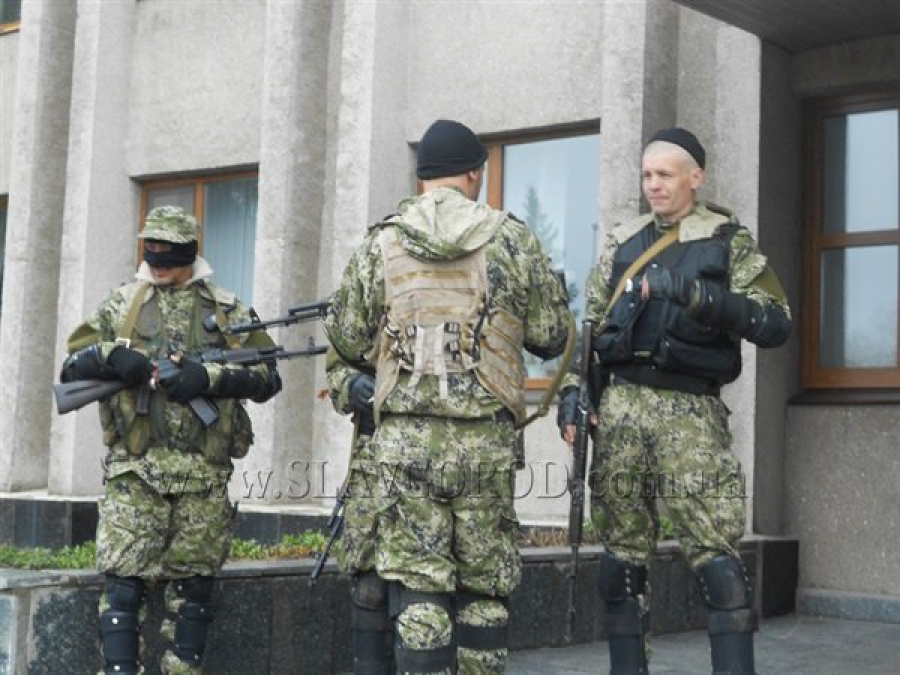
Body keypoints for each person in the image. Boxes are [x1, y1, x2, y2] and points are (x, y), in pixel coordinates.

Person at [325, 119, 572, 675]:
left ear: (422, 179)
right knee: (484, 588)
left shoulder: (382, 242)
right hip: (485, 446)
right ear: (474, 175)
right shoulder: (511, 239)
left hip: (405, 446)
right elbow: (552, 334)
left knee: (420, 587)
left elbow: (345, 337)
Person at [558, 127, 791, 675]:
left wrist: (696, 295)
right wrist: (572, 396)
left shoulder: (728, 241)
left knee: (718, 562)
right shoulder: (624, 241)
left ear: (695, 177)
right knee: (620, 562)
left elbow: (774, 323)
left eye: (665, 174)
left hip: (690, 416)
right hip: (620, 413)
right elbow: (589, 329)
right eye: (646, 175)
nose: (654, 185)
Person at [60, 206, 282, 675]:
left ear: (190, 252)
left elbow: (267, 377)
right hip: (135, 474)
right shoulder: (122, 305)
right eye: (151, 249)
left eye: (168, 252)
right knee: (123, 589)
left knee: (195, 592)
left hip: (202, 477)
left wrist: (209, 378)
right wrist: (112, 357)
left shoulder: (228, 310)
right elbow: (72, 366)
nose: (158, 261)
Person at [325, 349, 393, 674]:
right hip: (375, 456)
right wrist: (351, 385)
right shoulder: (365, 313)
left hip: (451, 460)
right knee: (368, 581)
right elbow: (337, 366)